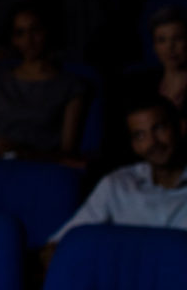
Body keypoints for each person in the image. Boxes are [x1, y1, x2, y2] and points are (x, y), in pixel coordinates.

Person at [42, 94, 187, 261]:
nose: (152, 142)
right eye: (140, 135)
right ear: (133, 144)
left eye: (159, 128)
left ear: (181, 127)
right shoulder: (117, 184)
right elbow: (58, 244)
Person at [0, 4, 89, 160]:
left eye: (35, 30)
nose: (28, 40)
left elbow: (67, 151)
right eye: (20, 33)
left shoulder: (70, 86)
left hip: (40, 168)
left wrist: (21, 152)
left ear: (48, 32)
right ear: (13, 39)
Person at [124, 6, 187, 110]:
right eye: (162, 40)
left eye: (178, 38)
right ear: (154, 46)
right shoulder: (142, 85)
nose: (170, 47)